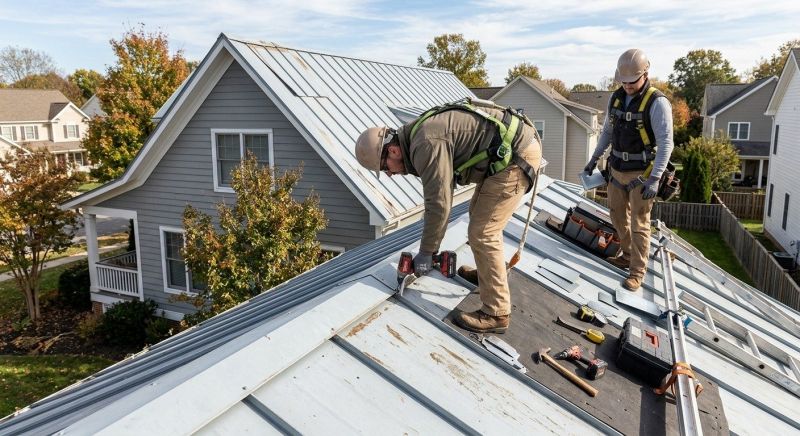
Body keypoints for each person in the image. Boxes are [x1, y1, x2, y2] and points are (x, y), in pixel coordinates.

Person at [354, 103, 542, 333]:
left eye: (386, 168)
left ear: (392, 151)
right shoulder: (417, 136)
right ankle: (488, 276)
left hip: (516, 155)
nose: (391, 174)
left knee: (483, 232)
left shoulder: (425, 144)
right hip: (509, 150)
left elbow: (440, 203)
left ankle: (497, 312)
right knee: (479, 218)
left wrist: (426, 252)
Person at [583, 48, 674, 291]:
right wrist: (594, 159)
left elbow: (667, 142)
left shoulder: (657, 103)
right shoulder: (616, 98)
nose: (628, 86)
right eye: (623, 82)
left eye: (632, 82)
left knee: (639, 223)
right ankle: (627, 253)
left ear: (645, 74)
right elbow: (608, 132)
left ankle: (637, 271)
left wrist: (655, 178)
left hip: (642, 173)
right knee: (616, 214)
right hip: (617, 168)